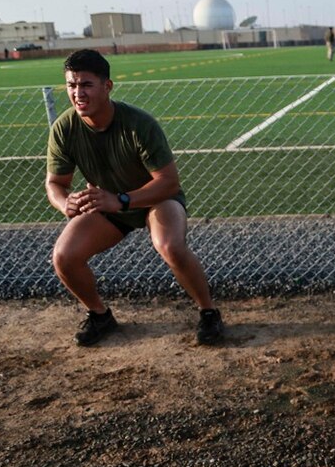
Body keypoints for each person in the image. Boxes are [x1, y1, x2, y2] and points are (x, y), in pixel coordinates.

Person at [45, 49, 225, 347]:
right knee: (64, 256)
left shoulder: (138, 124)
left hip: (153, 199)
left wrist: (123, 200)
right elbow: (55, 183)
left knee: (170, 245)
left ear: (107, 86)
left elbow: (168, 183)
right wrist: (65, 202)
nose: (78, 93)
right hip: (108, 204)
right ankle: (100, 315)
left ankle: (208, 312)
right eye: (71, 85)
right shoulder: (65, 127)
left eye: (86, 85)